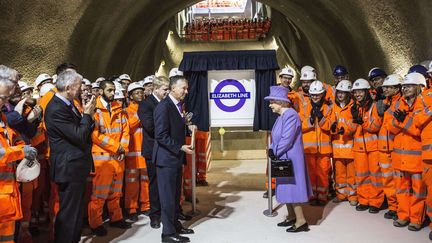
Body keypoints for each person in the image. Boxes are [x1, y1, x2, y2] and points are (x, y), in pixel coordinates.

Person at [44, 70, 96, 243]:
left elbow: (83, 131)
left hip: (76, 166)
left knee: (75, 213)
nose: (82, 89)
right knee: (68, 214)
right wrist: (87, 114)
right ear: (68, 87)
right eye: (79, 86)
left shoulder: (68, 103)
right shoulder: (56, 108)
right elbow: (79, 134)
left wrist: (88, 117)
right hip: (68, 167)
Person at [265, 85, 312, 233]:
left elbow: (287, 139)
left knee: (293, 189)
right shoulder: (281, 117)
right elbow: (277, 138)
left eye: (272, 101)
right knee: (285, 188)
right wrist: (272, 149)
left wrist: (275, 151)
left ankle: (301, 221)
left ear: (281, 102)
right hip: (283, 158)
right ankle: (292, 216)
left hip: (291, 159)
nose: (270, 104)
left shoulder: (291, 115)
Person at [153, 76, 195, 243]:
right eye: (183, 88)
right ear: (172, 88)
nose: (186, 91)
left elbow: (174, 128)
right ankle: (168, 234)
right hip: (166, 160)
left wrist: (187, 126)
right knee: (168, 198)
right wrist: (180, 147)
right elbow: (161, 136)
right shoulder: (164, 107)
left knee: (175, 196)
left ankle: (175, 225)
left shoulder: (177, 106)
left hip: (174, 159)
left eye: (186, 88)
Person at [88, 79, 131, 236]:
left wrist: (123, 149)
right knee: (99, 194)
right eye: (109, 90)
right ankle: (96, 223)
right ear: (100, 91)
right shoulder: (95, 110)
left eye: (114, 90)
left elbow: (125, 132)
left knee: (115, 192)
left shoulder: (119, 109)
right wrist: (116, 147)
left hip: (118, 158)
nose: (113, 93)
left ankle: (116, 218)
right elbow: (95, 135)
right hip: (102, 159)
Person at [389, 73, 427, 231]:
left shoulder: (423, 106)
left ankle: (416, 218)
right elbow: (390, 127)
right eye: (404, 86)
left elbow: (419, 131)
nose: (405, 89)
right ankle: (403, 216)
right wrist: (400, 121)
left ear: (419, 87)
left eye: (409, 85)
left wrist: (404, 121)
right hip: (400, 157)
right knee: (401, 189)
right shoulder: (398, 104)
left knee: (418, 191)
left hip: (416, 158)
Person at [138, 76, 170, 229]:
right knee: (155, 184)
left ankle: (171, 213)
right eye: (165, 89)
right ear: (155, 89)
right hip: (153, 150)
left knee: (169, 184)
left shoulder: (167, 103)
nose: (167, 92)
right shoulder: (145, 105)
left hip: (167, 149)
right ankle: (155, 215)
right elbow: (150, 127)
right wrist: (169, 128)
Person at [351, 78, 384, 213]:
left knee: (375, 176)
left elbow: (376, 126)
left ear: (366, 91)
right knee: (361, 175)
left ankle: (376, 202)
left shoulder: (374, 106)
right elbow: (351, 128)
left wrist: (361, 122)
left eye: (360, 91)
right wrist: (353, 122)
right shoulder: (354, 107)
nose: (358, 94)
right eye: (355, 92)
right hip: (359, 148)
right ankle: (364, 200)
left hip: (373, 147)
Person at [301, 80, 333, 206]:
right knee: (310, 173)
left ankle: (322, 197)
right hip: (309, 148)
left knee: (323, 173)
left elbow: (330, 126)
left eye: (317, 94)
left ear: (323, 94)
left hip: (324, 149)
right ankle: (312, 196)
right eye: (313, 94)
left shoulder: (329, 108)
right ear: (309, 94)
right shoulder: (304, 107)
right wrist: (309, 121)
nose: (315, 97)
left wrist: (321, 119)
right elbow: (299, 125)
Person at [124, 82, 150, 222]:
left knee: (146, 181)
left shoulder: (147, 108)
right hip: (133, 153)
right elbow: (128, 127)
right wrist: (140, 114)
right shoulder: (126, 111)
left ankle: (146, 206)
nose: (140, 94)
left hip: (145, 151)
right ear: (130, 96)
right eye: (137, 92)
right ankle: (131, 208)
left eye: (141, 92)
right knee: (132, 182)